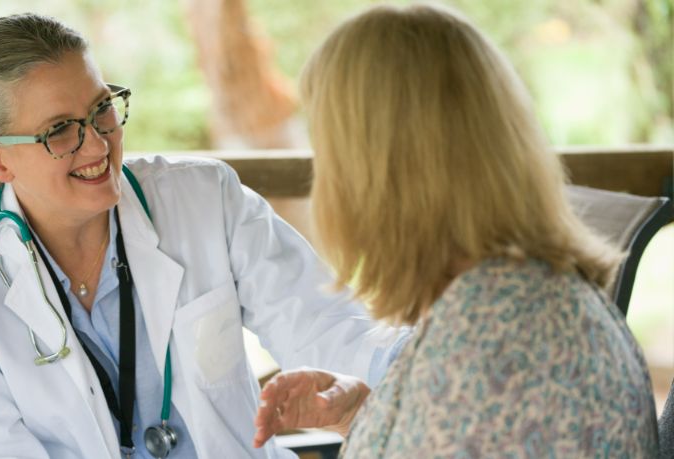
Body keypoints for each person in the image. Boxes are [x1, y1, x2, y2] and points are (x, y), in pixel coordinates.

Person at [0, 13, 410, 459]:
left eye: (101, 108)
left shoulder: (204, 198)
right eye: (60, 129)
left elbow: (328, 328)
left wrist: (434, 366)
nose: (98, 142)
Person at [253, 3, 660, 457]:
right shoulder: (518, 302)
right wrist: (364, 415)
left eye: (328, 152)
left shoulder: (486, 352)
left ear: (376, 175)